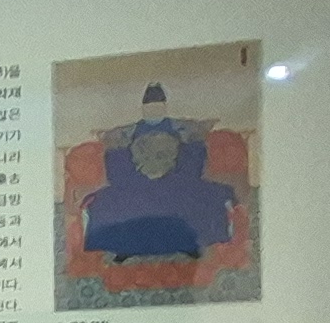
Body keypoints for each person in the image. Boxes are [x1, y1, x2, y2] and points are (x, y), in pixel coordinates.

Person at [76, 88, 239, 267]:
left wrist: (194, 137)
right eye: (150, 108)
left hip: (175, 182)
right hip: (137, 183)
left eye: (157, 107)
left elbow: (194, 159)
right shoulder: (130, 131)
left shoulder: (180, 128)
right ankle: (125, 247)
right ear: (143, 109)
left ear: (164, 107)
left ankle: (189, 243)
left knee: (198, 193)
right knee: (110, 199)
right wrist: (115, 143)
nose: (153, 111)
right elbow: (117, 168)